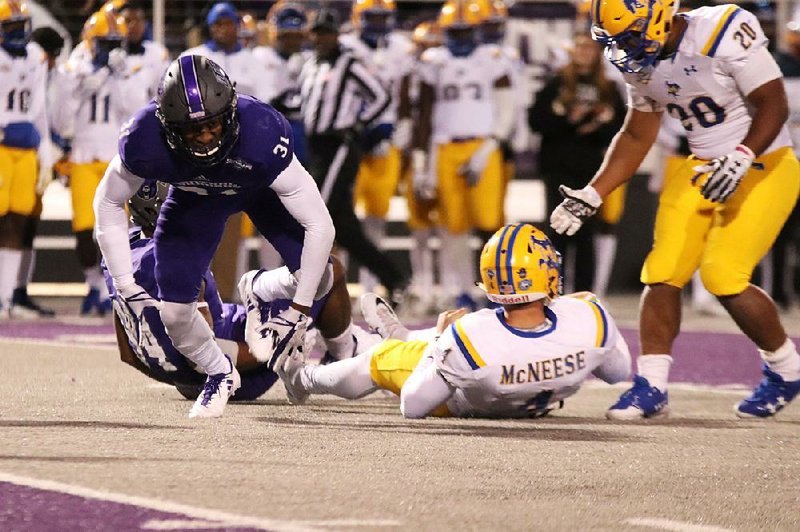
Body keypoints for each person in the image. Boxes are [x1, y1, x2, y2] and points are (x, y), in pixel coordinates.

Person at [550, 0, 800, 419]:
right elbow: (635, 134)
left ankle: (786, 369)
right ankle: (652, 387)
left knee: (724, 276)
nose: (624, 47)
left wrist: (741, 156)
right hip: (701, 165)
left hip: (766, 164)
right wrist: (593, 194)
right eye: (617, 38)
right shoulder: (641, 63)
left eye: (630, 34)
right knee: (662, 271)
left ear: (660, 14)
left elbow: (774, 103)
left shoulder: (720, 28)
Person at [93, 55, 335, 418]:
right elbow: (107, 202)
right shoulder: (144, 138)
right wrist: (126, 285)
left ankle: (262, 289)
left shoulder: (262, 133)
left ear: (232, 112)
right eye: (193, 131)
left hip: (257, 189)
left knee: (321, 279)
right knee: (175, 315)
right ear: (168, 127)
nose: (206, 137)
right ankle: (219, 374)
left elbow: (321, 225)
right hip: (195, 198)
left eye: (213, 125)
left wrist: (299, 310)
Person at [273, 223, 631, 418]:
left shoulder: (474, 334)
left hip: (466, 401)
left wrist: (441, 345)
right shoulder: (588, 318)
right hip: (536, 403)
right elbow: (617, 371)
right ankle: (405, 337)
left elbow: (412, 406)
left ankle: (302, 378)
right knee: (450, 336)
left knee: (379, 362)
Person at [106, 181, 360, 403]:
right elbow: (202, 358)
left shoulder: (119, 253)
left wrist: (176, 375)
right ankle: (340, 358)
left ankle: (341, 348)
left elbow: (128, 354)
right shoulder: (172, 260)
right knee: (329, 270)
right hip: (231, 373)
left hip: (188, 374)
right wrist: (273, 347)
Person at [298, 8, 407, 303]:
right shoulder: (311, 64)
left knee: (314, 211)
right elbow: (304, 102)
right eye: (317, 32)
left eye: (326, 32)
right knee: (344, 229)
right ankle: (395, 278)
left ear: (337, 34)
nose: (321, 38)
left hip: (339, 144)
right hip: (315, 146)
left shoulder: (350, 63)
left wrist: (357, 126)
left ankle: (305, 291)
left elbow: (382, 95)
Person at [413, 0, 515, 311]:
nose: (459, 39)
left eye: (465, 32)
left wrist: (485, 152)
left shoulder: (492, 59)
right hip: (444, 147)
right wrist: (422, 166)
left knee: (489, 222)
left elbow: (506, 110)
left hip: (482, 145)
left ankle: (496, 286)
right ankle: (463, 290)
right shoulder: (434, 61)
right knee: (452, 226)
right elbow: (425, 116)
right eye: (453, 33)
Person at [54, 8, 142, 315]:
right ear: (90, 42)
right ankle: (94, 284)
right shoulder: (72, 69)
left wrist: (119, 78)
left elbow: (134, 112)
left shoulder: (124, 68)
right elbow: (61, 121)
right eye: (104, 43)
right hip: (82, 154)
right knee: (83, 227)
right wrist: (80, 88)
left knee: (119, 227)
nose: (110, 49)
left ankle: (115, 288)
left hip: (115, 157)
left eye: (114, 43)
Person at [529, 32, 625, 293]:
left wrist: (596, 125)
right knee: (557, 230)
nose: (584, 52)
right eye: (579, 46)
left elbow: (622, 130)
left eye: (589, 47)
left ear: (597, 52)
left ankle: (584, 295)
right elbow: (536, 122)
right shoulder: (557, 83)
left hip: (590, 168)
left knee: (585, 234)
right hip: (558, 165)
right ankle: (552, 292)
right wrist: (569, 120)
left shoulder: (608, 87)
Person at [341, 0, 415, 293]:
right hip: (350, 140)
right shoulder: (346, 46)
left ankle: (372, 287)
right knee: (341, 219)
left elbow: (406, 93)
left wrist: (402, 129)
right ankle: (340, 285)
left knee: (376, 216)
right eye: (371, 17)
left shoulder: (400, 48)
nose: (377, 24)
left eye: (383, 18)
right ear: (359, 17)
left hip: (386, 140)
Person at [0, 1, 52, 319]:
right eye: (10, 27)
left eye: (21, 25)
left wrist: (45, 152)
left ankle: (5, 297)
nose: (18, 33)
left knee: (18, 221)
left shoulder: (35, 56)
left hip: (27, 150)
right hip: (2, 147)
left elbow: (39, 109)